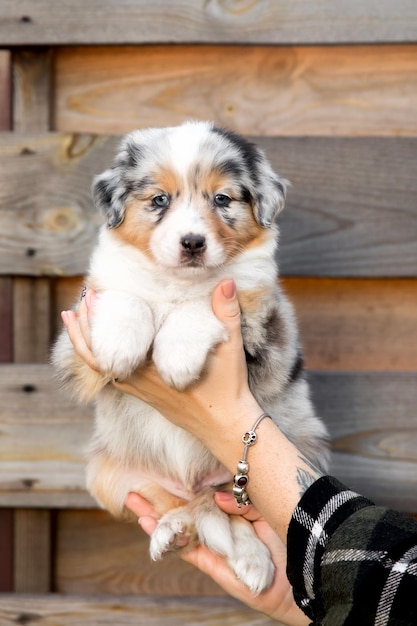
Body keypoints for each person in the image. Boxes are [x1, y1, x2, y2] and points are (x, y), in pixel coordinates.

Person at [62, 280, 417, 625]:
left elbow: (266, 358)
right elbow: (74, 368)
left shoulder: (247, 281)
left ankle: (221, 520)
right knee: (105, 474)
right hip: (158, 464)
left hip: (248, 469)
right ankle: (196, 515)